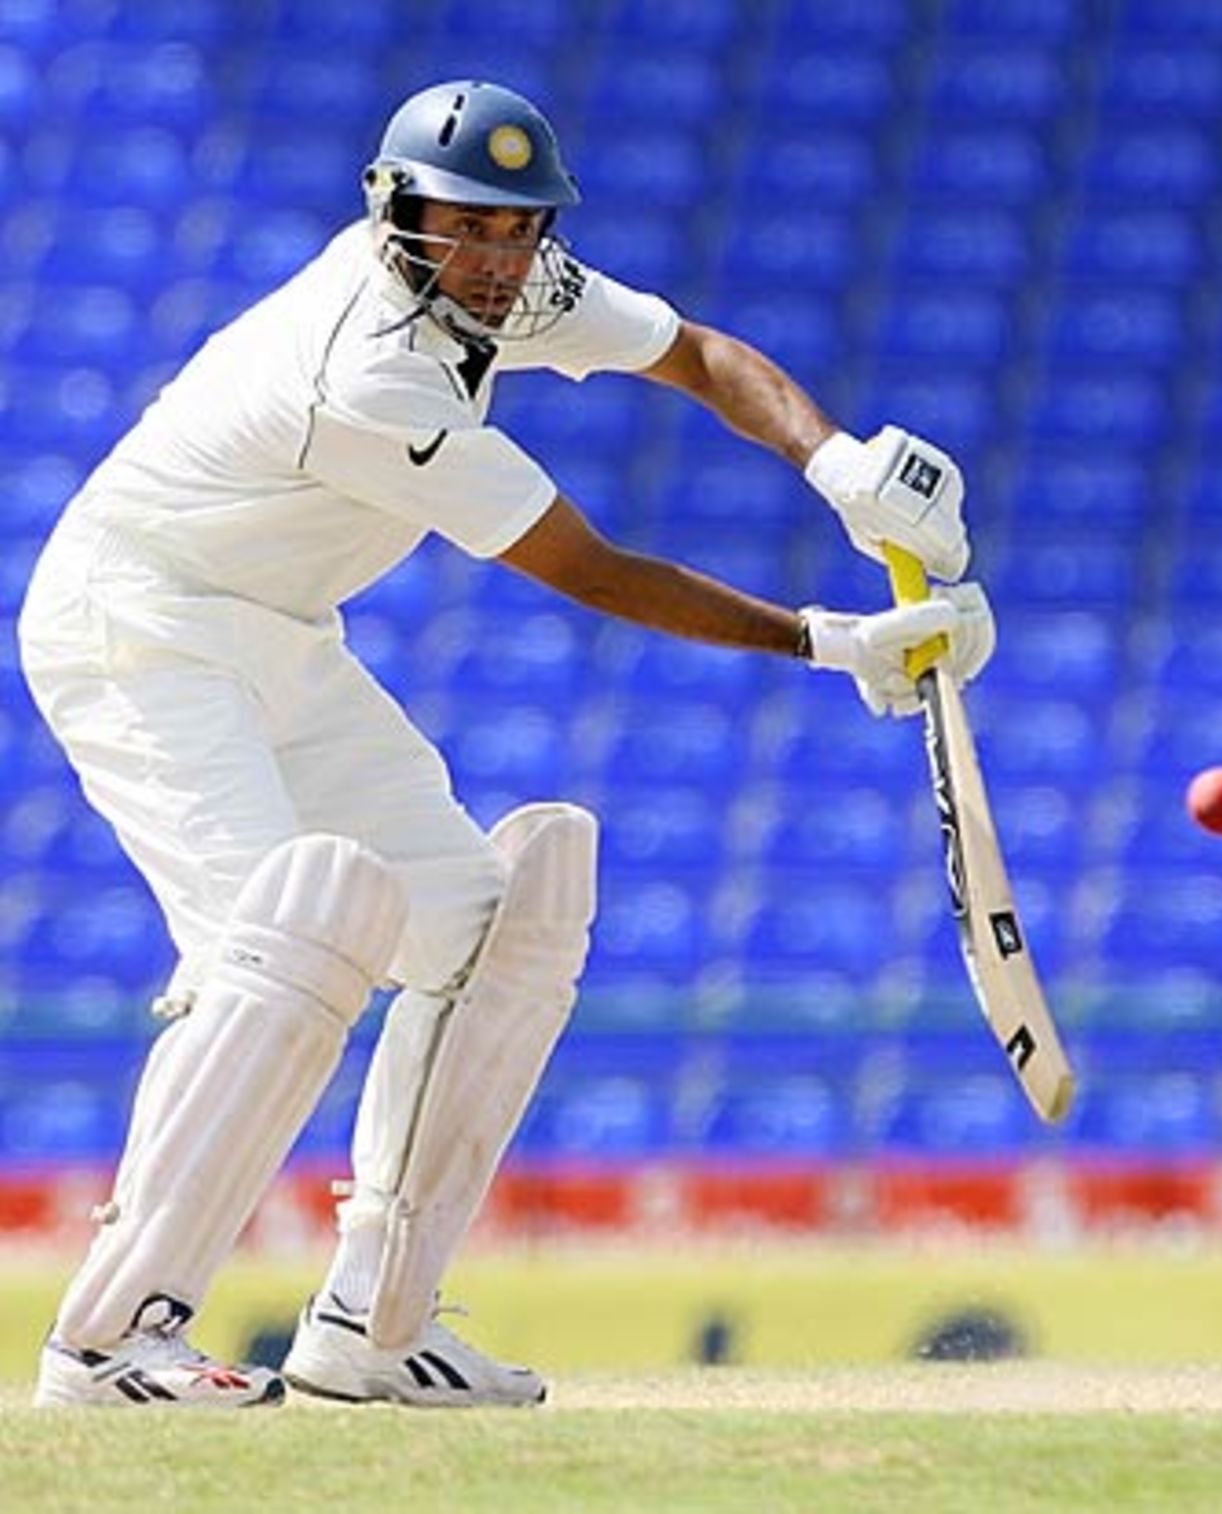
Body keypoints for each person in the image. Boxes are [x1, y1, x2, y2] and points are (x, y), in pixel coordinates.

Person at [18, 79, 995, 1410]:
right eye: (458, 226)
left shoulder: (522, 285)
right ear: (396, 212)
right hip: (140, 621)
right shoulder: (365, 363)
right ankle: (108, 1340)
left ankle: (371, 1327)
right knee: (289, 927)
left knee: (491, 929)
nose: (487, 258)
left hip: (284, 634)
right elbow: (585, 567)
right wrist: (828, 642)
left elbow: (700, 354)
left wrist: (840, 465)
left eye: (514, 230)